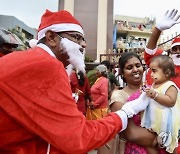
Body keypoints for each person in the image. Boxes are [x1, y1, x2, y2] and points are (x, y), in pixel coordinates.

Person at [0, 10, 150, 154]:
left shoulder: (33, 60)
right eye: (77, 37)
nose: (84, 44)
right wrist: (126, 112)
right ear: (51, 37)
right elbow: (77, 138)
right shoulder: (47, 65)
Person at [110, 52, 153, 154]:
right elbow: (132, 134)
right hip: (132, 149)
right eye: (129, 67)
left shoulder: (152, 90)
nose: (135, 70)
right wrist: (162, 138)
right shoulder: (119, 96)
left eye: (138, 66)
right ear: (122, 73)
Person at [141, 55, 180, 153]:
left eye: (154, 71)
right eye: (150, 71)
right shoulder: (154, 84)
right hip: (156, 122)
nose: (151, 74)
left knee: (170, 146)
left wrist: (155, 95)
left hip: (168, 124)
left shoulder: (170, 86)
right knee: (150, 145)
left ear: (167, 73)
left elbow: (171, 101)